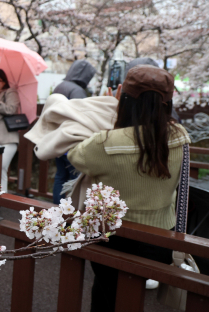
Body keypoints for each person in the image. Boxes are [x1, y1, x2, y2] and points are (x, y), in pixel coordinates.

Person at [68, 65, 190, 312]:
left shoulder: (105, 143)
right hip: (161, 239)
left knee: (106, 294)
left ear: (124, 98)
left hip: (114, 237)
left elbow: (75, 156)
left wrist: (111, 108)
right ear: (167, 102)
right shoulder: (180, 135)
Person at [51, 60, 96, 204]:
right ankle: (67, 211)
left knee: (60, 175)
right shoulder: (77, 91)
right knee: (73, 177)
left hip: (57, 138)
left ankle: (56, 207)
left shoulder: (60, 86)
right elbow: (82, 116)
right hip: (71, 141)